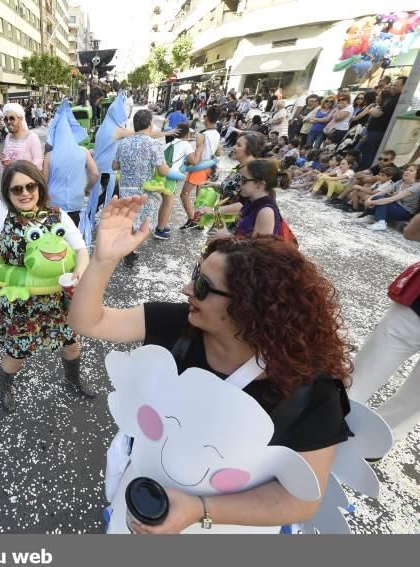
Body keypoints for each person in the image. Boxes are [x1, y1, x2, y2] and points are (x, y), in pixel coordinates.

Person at [69, 198, 352, 533]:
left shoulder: (310, 390)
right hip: (143, 499)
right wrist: (104, 259)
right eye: (194, 276)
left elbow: (301, 500)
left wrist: (199, 511)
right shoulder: (179, 326)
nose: (187, 289)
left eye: (202, 286)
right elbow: (88, 322)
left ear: (250, 308)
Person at [0, 95, 93, 413]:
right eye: (17, 189)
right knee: (15, 355)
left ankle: (72, 379)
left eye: (31, 186)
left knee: (71, 344)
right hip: (21, 303)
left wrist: (80, 272)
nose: (25, 193)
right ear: (8, 193)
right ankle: (5, 388)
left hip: (58, 300)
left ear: (40, 187)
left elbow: (80, 249)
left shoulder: (56, 215)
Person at [348, 268, 420, 444]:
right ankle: (318, 428)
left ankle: (372, 446)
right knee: (358, 379)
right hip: (414, 311)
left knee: (411, 404)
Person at [112, 109, 174, 257]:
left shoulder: (124, 143)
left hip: (125, 189)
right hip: (143, 192)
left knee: (129, 219)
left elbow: (114, 166)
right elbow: (163, 171)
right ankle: (130, 248)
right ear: (150, 124)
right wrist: (171, 168)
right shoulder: (154, 145)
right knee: (144, 223)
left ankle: (128, 249)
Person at [198, 159, 284, 239]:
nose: (239, 183)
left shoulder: (266, 212)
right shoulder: (252, 202)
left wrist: (227, 236)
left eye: (243, 180)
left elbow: (259, 249)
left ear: (259, 184)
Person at [180, 105, 221, 230]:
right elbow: (218, 153)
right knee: (200, 195)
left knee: (184, 195)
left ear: (206, 118)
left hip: (199, 167)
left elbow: (197, 157)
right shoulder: (217, 134)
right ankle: (200, 221)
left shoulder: (201, 136)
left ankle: (193, 219)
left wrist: (187, 162)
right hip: (209, 167)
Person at [358, 77, 405, 171]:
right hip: (373, 131)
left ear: (403, 86)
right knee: (365, 152)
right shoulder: (391, 98)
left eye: (395, 85)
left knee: (369, 155)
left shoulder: (397, 99)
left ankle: (365, 171)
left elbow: (376, 113)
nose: (392, 87)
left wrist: (371, 110)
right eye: (392, 85)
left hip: (378, 133)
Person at [362, 164, 420, 232]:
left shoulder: (417, 186)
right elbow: (382, 192)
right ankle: (370, 217)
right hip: (395, 206)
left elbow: (391, 199)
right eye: (407, 170)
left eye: (411, 171)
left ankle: (381, 223)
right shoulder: (401, 182)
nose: (407, 172)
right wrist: (369, 198)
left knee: (382, 201)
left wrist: (371, 202)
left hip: (405, 212)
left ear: (417, 174)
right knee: (378, 197)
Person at [0, 102, 43, 170]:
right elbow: (6, 161)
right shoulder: (8, 137)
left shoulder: (32, 137)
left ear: (21, 118)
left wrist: (16, 168)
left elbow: (38, 164)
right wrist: (3, 161)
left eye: (12, 118)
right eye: (5, 119)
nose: (8, 121)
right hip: (10, 179)